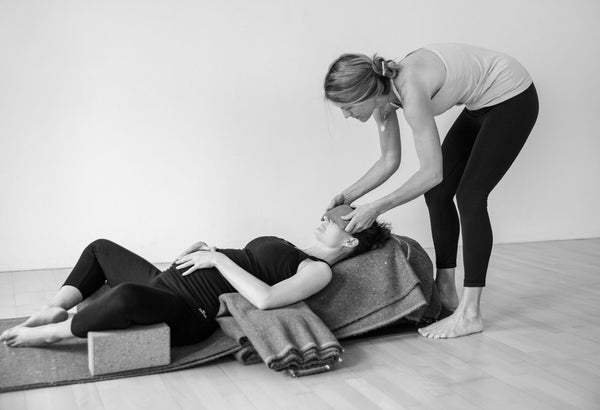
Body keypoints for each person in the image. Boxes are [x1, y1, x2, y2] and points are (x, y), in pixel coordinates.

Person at [324, 43, 539, 339]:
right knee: (438, 194)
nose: (347, 115)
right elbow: (389, 161)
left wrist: (376, 207)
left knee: (470, 197)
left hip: (513, 97)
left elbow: (432, 173)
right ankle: (446, 290)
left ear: (364, 93)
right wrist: (348, 196)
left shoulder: (410, 91)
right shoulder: (382, 100)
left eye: (347, 107)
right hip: (480, 104)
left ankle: (470, 314)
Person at [1, 205, 391, 347]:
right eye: (326, 214)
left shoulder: (317, 270)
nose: (325, 219)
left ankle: (54, 333)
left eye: (337, 220)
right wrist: (202, 252)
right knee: (100, 248)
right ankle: (54, 308)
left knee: (127, 296)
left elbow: (265, 299)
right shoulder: (293, 247)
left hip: (189, 311)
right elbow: (242, 263)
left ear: (351, 241)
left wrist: (217, 260)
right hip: (168, 282)